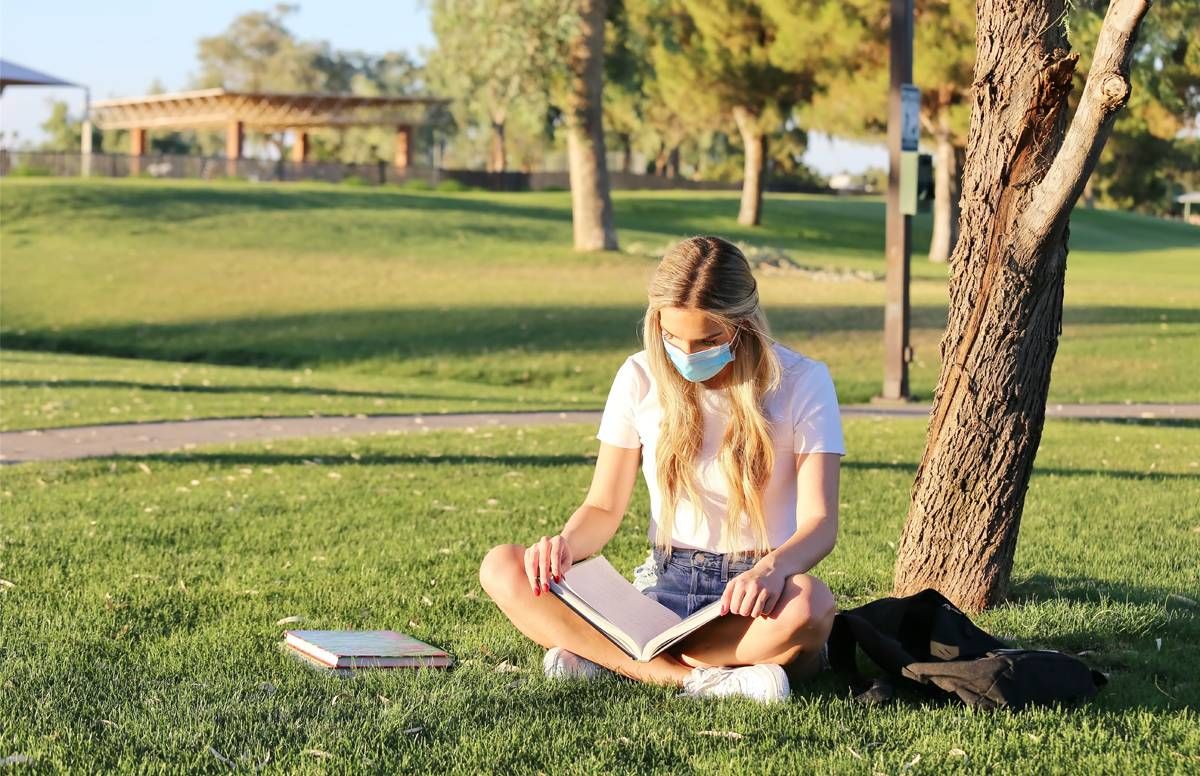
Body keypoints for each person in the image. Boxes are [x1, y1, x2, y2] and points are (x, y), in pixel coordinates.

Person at [479, 235, 845, 703]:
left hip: (752, 600)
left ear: (744, 324)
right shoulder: (638, 375)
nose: (689, 355)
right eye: (673, 338)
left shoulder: (802, 381)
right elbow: (603, 505)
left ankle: (608, 660)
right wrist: (566, 545)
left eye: (709, 340)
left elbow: (820, 523)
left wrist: (772, 570)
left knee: (811, 605)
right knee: (503, 567)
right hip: (663, 586)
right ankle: (694, 680)